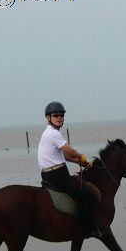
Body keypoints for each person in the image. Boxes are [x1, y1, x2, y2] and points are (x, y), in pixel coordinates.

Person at [38, 101, 101, 238]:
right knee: (89, 194)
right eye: (56, 115)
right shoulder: (53, 133)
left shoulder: (49, 133)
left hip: (49, 174)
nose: (59, 117)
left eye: (62, 115)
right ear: (48, 118)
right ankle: (87, 228)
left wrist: (82, 163)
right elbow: (70, 151)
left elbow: (64, 156)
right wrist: (82, 157)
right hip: (58, 176)